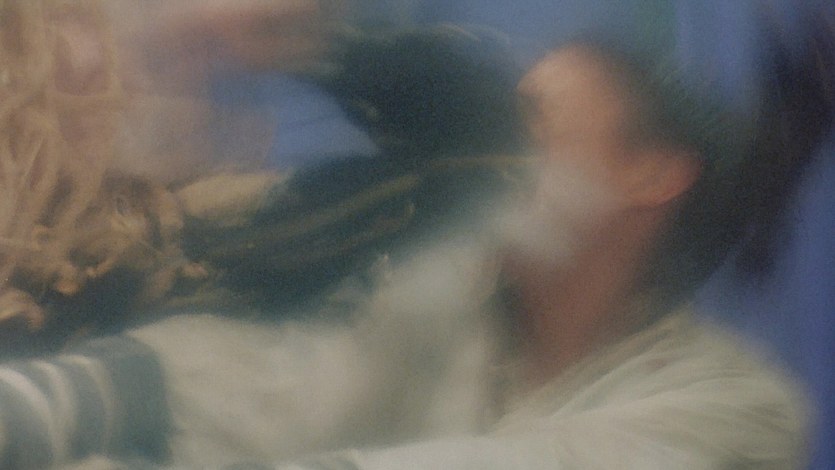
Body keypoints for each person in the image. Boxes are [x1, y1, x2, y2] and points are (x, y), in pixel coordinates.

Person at [0, 3, 831, 470]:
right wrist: (66, 401)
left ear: (648, 173)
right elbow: (273, 385)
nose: (498, 154)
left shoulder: (742, 413)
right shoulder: (453, 314)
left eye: (532, 123)